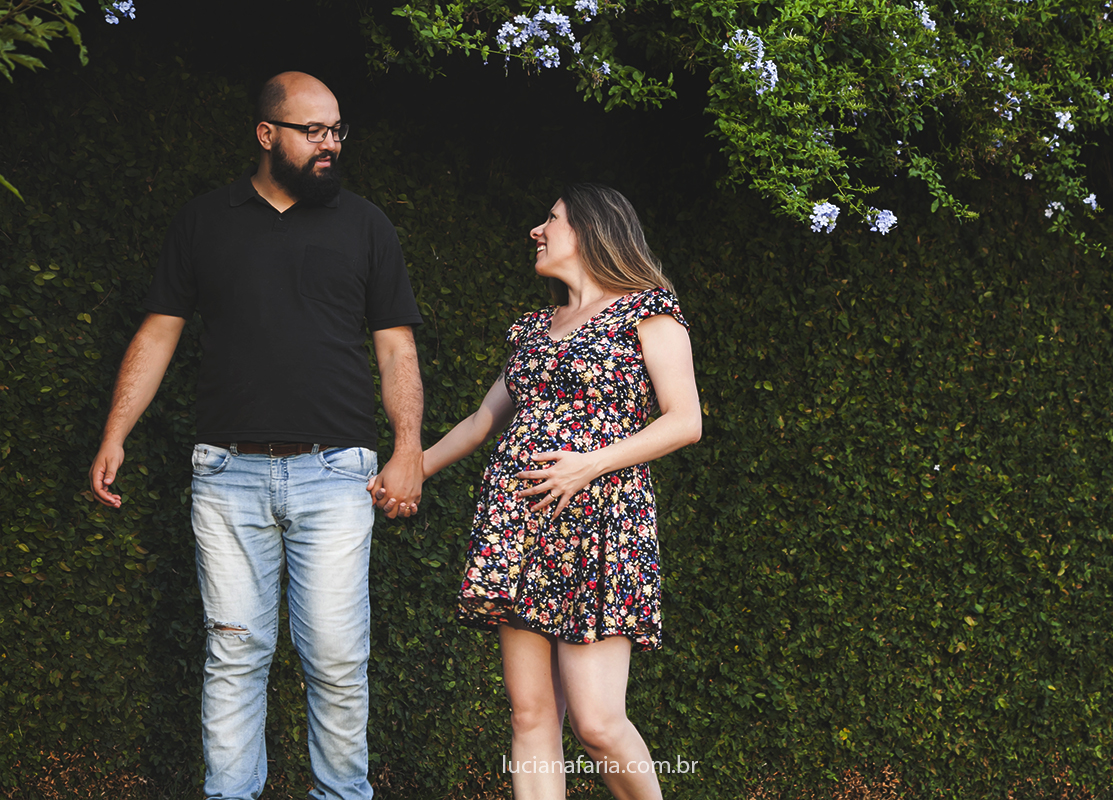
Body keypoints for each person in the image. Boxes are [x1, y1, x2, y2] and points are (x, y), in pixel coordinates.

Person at [87, 71, 423, 800]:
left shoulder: (366, 225)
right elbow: (160, 332)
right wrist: (116, 432)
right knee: (235, 657)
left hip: (338, 474)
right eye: (314, 131)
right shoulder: (205, 221)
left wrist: (408, 449)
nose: (330, 144)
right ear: (267, 134)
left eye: (337, 130)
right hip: (227, 474)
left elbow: (396, 348)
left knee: (335, 659)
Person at [422, 183, 702, 799]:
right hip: (516, 526)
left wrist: (587, 466)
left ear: (592, 231)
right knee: (530, 717)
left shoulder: (647, 311)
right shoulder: (531, 328)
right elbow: (480, 422)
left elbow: (685, 420)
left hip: (600, 525)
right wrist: (408, 470)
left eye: (550, 219)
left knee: (598, 724)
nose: (536, 230)